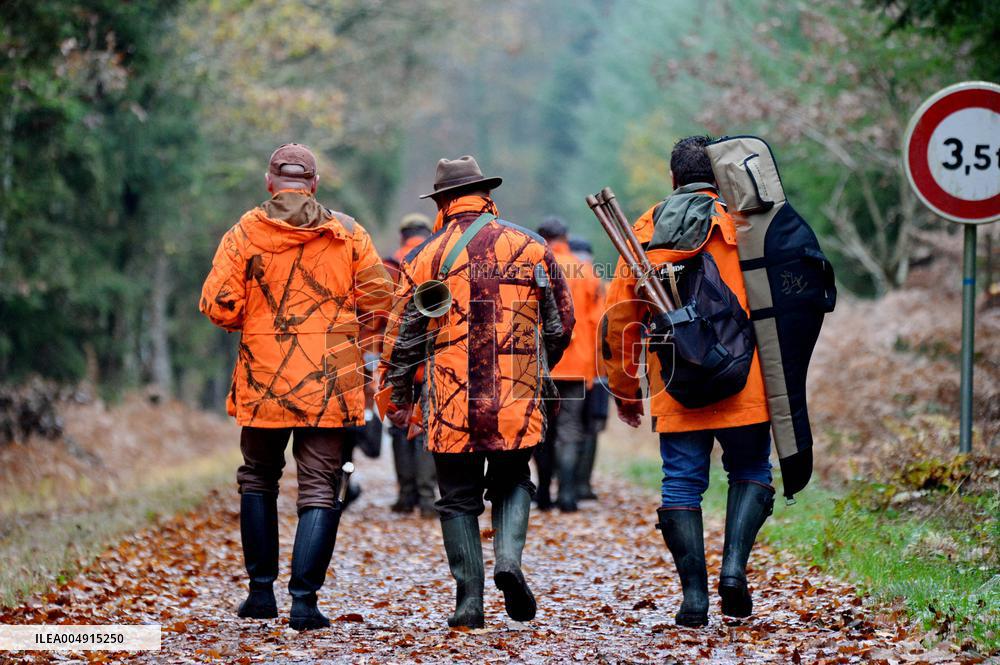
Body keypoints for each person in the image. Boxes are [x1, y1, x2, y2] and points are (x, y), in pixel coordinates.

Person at [199, 143, 392, 631]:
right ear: (314, 184)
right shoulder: (348, 233)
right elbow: (380, 300)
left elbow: (219, 304)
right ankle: (304, 603)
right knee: (320, 486)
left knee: (258, 478)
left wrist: (259, 321)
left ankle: (260, 595)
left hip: (264, 380)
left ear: (270, 182)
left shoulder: (245, 231)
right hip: (331, 380)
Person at [379, 155, 574, 628]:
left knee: (458, 497)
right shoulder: (531, 246)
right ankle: (508, 560)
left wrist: (399, 394)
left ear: (443, 203)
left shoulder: (423, 257)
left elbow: (402, 336)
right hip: (515, 397)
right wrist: (534, 365)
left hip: (450, 401)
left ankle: (469, 601)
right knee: (513, 480)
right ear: (487, 195)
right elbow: (560, 322)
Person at [602, 136, 773, 627]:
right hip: (746, 380)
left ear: (672, 178)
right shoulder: (746, 221)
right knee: (750, 470)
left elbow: (622, 318)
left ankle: (694, 599)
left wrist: (626, 389)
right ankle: (734, 572)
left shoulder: (644, 229)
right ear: (718, 178)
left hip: (676, 381)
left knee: (682, 482)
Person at [532, 218, 603, 512]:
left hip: (541, 365)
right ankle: (568, 495)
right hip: (576, 366)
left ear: (542, 239)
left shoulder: (533, 269)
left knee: (542, 430)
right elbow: (598, 321)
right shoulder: (587, 272)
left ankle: (544, 494)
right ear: (566, 237)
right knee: (570, 430)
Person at [387, 213, 437, 517]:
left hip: (395, 361)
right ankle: (428, 499)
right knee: (425, 425)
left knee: (399, 426)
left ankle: (406, 497)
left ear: (402, 236)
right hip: (432, 360)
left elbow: (376, 315)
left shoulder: (389, 265)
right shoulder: (437, 259)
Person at [567, 235, 608, 501]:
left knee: (565, 427)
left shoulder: (558, 278)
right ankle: (581, 484)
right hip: (598, 369)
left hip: (565, 370)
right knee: (591, 425)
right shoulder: (598, 284)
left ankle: (567, 483)